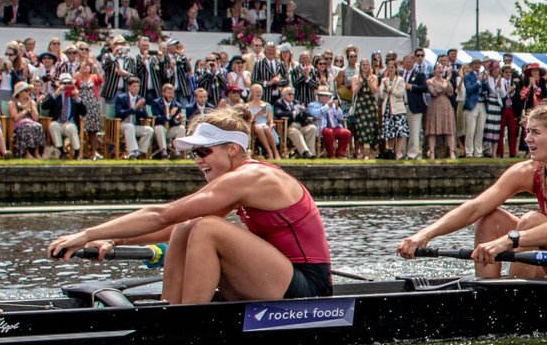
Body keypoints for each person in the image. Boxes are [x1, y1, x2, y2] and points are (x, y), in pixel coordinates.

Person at [45, 109, 333, 303]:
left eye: (204, 151)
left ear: (232, 149)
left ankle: (188, 320)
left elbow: (161, 215)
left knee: (207, 228)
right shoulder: (238, 181)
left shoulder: (252, 176)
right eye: (194, 153)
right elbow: (173, 224)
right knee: (188, 226)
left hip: (309, 289)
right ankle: (171, 307)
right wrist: (113, 239)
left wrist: (86, 234)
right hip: (278, 279)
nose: (198, 160)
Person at [396, 101, 547, 280]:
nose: (528, 139)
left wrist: (509, 240)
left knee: (531, 221)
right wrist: (425, 234)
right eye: (527, 131)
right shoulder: (528, 171)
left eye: (536, 132)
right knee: (490, 218)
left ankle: (512, 299)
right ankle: (489, 291)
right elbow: (475, 207)